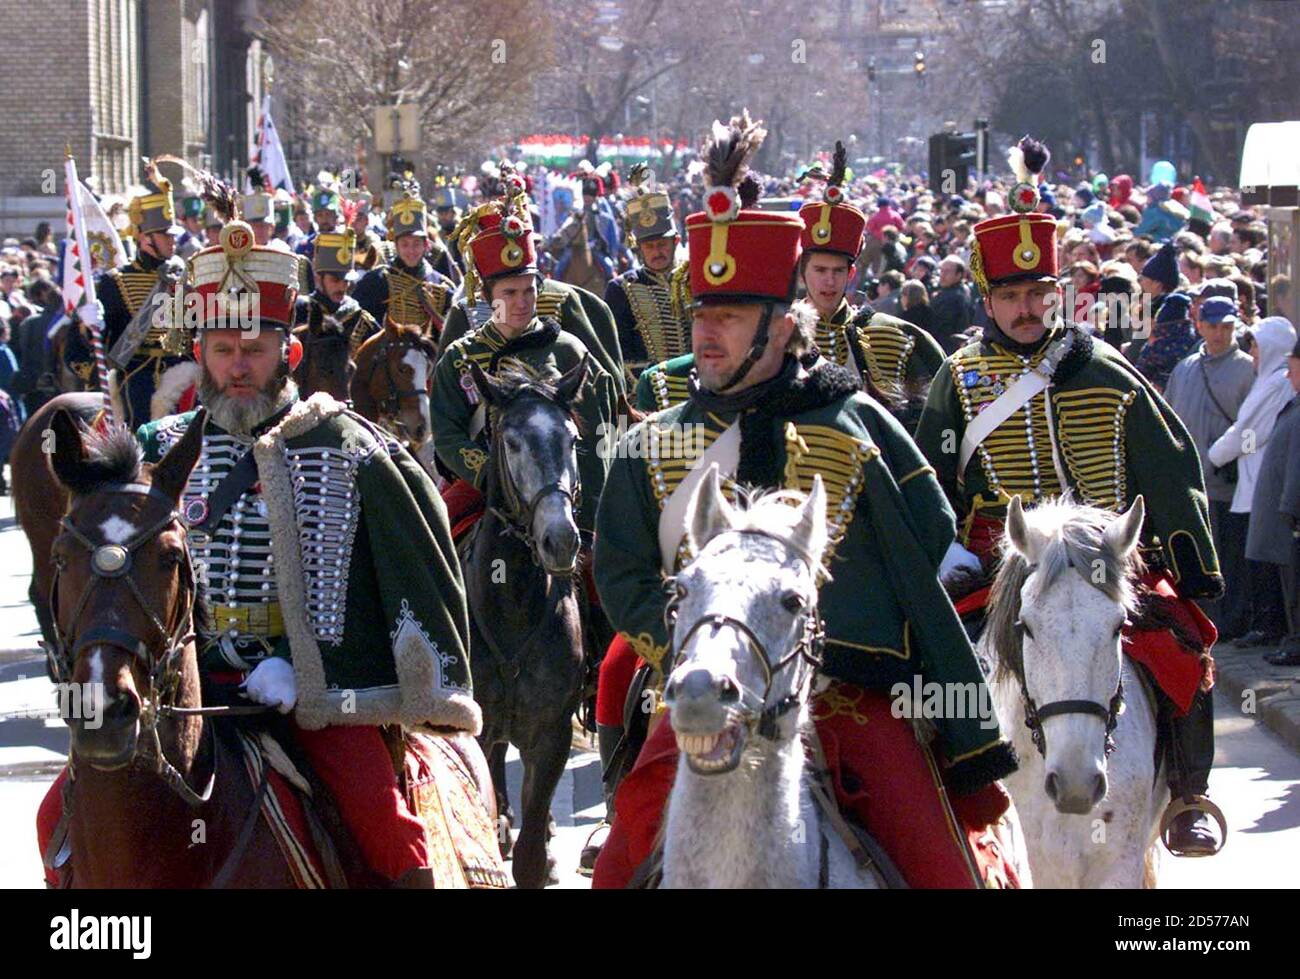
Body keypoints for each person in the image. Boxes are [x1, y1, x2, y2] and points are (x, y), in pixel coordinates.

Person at [592, 112, 1019, 890]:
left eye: (728, 317)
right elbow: (619, 569)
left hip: (849, 692)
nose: (707, 334)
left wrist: (835, 635)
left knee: (940, 862)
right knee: (621, 858)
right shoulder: (650, 442)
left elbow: (928, 531)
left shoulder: (855, 421)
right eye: (701, 315)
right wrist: (692, 645)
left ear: (784, 327)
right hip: (702, 685)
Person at [37, 222, 479, 888]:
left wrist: (310, 672)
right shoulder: (156, 449)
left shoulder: (350, 447)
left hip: (317, 698)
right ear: (199, 350)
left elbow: (411, 591)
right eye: (221, 349)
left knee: (390, 834)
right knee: (55, 819)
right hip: (181, 690)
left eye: (254, 349)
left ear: (290, 350)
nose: (238, 367)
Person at [915, 143, 1226, 857]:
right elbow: (928, 471)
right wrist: (946, 548)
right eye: (1010, 297)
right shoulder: (959, 380)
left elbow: (1167, 460)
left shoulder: (1108, 372)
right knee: (930, 675)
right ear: (988, 299)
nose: (1026, 310)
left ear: (1058, 293)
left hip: (1103, 555)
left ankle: (1185, 793)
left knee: (1185, 644)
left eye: (1037, 295)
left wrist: (1188, 555)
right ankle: (943, 796)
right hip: (1001, 562)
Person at [431, 195, 618, 548]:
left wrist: (592, 514)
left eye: (529, 291)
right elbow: (446, 435)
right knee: (433, 546)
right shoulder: (459, 358)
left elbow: (597, 439)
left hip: (564, 491)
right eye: (510, 292)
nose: (521, 302)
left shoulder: (569, 351)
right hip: (484, 489)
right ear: (487, 296)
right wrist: (491, 473)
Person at [63, 161, 195, 431]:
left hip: (184, 369)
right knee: (137, 414)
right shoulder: (115, 282)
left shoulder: (185, 277)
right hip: (137, 373)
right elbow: (84, 348)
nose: (172, 241)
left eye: (173, 235)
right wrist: (87, 326)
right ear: (145, 238)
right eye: (165, 235)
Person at [1163, 297, 1256, 638]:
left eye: (1227, 326)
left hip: (1230, 485)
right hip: (1192, 486)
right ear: (1199, 325)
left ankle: (1232, 622)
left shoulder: (1247, 369)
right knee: (1198, 556)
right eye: (1213, 325)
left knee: (1232, 557)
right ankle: (1203, 619)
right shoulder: (1185, 368)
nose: (1220, 333)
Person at [1207, 317, 1299, 649]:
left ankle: (1266, 626)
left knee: (1262, 560)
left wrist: (1216, 455)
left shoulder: (1276, 384)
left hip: (1262, 480)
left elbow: (1249, 433)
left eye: (1257, 345)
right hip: (1253, 478)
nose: (1253, 352)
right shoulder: (1269, 381)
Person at [603, 164, 690, 385]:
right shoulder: (621, 289)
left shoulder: (692, 278)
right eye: (649, 246)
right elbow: (618, 351)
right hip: (649, 389)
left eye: (662, 244)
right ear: (639, 249)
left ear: (676, 242)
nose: (656, 252)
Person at [1248, 338, 1300, 666]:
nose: (1288, 376)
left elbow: (1296, 464)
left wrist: (1291, 508)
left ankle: (1296, 644)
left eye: (1293, 369)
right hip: (1286, 511)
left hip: (1290, 513)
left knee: (1295, 587)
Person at [352, 185, 455, 338]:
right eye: (405, 245)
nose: (411, 251)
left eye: (416, 244)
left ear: (426, 245)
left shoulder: (440, 285)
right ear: (396, 246)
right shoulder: (376, 281)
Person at [293, 226, 380, 359]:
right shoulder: (300, 311)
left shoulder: (361, 320)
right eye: (335, 280)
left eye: (345, 281)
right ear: (318, 277)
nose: (341, 287)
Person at [930, 255, 974, 352]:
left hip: (946, 346)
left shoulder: (956, 296)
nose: (942, 275)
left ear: (958, 275)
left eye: (947, 271)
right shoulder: (946, 292)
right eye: (941, 271)